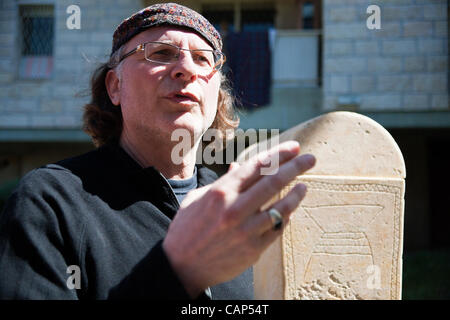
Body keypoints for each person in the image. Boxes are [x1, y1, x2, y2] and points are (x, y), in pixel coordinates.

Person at [0, 3, 315, 300]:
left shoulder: (244, 210)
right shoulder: (50, 201)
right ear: (114, 86)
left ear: (216, 95)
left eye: (203, 59)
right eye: (162, 53)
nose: (186, 69)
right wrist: (178, 272)